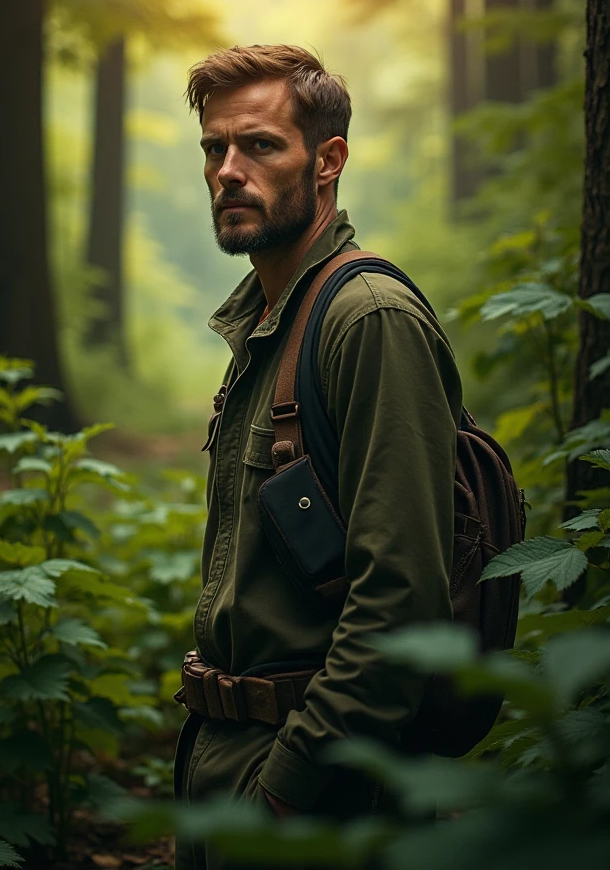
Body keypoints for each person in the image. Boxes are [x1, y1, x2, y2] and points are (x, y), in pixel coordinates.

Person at [173, 45, 462, 869]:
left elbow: (401, 599)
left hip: (319, 788)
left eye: (260, 145)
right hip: (224, 763)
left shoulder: (368, 320)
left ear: (328, 160)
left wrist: (287, 788)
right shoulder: (268, 323)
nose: (228, 171)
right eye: (214, 148)